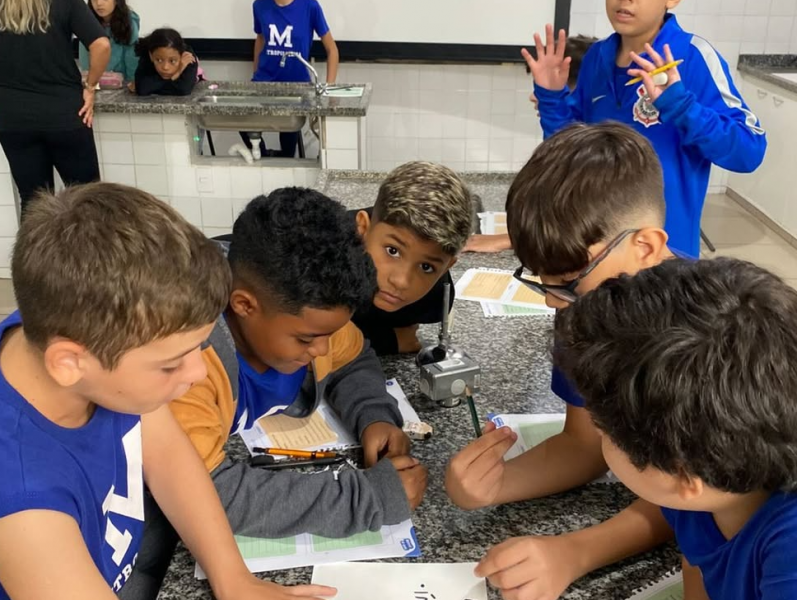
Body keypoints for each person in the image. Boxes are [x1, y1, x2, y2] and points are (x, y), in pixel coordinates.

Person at [0, 182, 337, 600]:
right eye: (171, 363)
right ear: (68, 363)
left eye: (198, 347)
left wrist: (233, 578)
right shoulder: (23, 503)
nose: (198, 372)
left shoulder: (75, 324)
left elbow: (168, 453)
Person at [446, 122, 681, 600]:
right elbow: (584, 444)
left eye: (568, 283)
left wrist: (577, 551)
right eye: (543, 282)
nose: (554, 303)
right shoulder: (583, 305)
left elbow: (698, 496)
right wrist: (495, 484)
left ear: (645, 247)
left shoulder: (706, 338)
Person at [167, 187, 427, 543]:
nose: (321, 349)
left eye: (328, 334)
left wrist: (374, 415)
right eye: (306, 340)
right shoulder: (184, 364)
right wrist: (365, 499)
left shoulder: (308, 310)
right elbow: (204, 494)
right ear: (244, 305)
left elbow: (353, 358)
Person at [554, 257, 797, 599]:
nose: (596, 433)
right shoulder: (704, 475)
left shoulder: (788, 557)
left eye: (602, 428)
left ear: (682, 476)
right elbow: (696, 560)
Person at [524, 2, 767, 257]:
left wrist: (682, 107)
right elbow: (570, 152)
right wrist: (552, 99)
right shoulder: (597, 56)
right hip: (594, 244)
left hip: (663, 252)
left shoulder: (692, 55)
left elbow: (749, 151)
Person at [464, 34, 596, 254]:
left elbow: (590, 221)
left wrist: (516, 239)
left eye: (551, 88)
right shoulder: (571, 144)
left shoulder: (603, 157)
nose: (534, 98)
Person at [0, 0, 110, 216]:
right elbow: (102, 45)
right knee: (88, 202)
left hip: (12, 118)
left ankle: (34, 241)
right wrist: (90, 87)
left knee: (33, 202)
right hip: (64, 114)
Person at [351, 161, 473, 355]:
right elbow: (303, 335)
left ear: (447, 266)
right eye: (392, 251)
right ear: (363, 228)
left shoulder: (434, 302)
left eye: (426, 267)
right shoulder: (321, 259)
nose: (401, 281)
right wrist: (386, 340)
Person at [243, 0, 339, 158]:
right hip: (265, 81)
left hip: (296, 86)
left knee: (288, 138)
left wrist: (329, 89)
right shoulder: (259, 5)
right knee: (241, 117)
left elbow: (332, 50)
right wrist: (256, 73)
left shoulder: (310, 6)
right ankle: (264, 156)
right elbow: (260, 39)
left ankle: (282, 159)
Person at [79, 0, 139, 85]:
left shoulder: (129, 23)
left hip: (122, 83)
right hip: (94, 82)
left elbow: (132, 62)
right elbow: (85, 62)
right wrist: (90, 84)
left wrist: (132, 84)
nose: (99, 3)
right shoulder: (86, 22)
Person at [134, 27, 202, 97]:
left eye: (172, 61)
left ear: (181, 56)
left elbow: (184, 89)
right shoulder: (147, 54)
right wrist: (176, 75)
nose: (165, 67)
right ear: (151, 55)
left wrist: (153, 86)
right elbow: (142, 89)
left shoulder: (188, 57)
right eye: (159, 60)